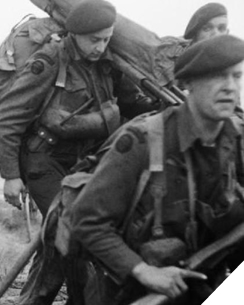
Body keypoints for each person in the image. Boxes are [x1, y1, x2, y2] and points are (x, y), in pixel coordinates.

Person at [0, 0, 157, 304]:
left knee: (58, 241)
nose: (100, 47)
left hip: (83, 165)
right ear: (75, 34)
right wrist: (11, 176)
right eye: (94, 40)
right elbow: (7, 119)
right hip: (44, 160)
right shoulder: (49, 61)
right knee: (73, 233)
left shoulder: (108, 64)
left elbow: (131, 105)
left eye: (106, 39)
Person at [71, 34, 244, 305]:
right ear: (187, 83)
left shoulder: (238, 142)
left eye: (237, 76)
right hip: (137, 289)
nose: (230, 88)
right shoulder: (142, 141)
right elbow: (86, 220)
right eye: (217, 77)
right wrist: (144, 272)